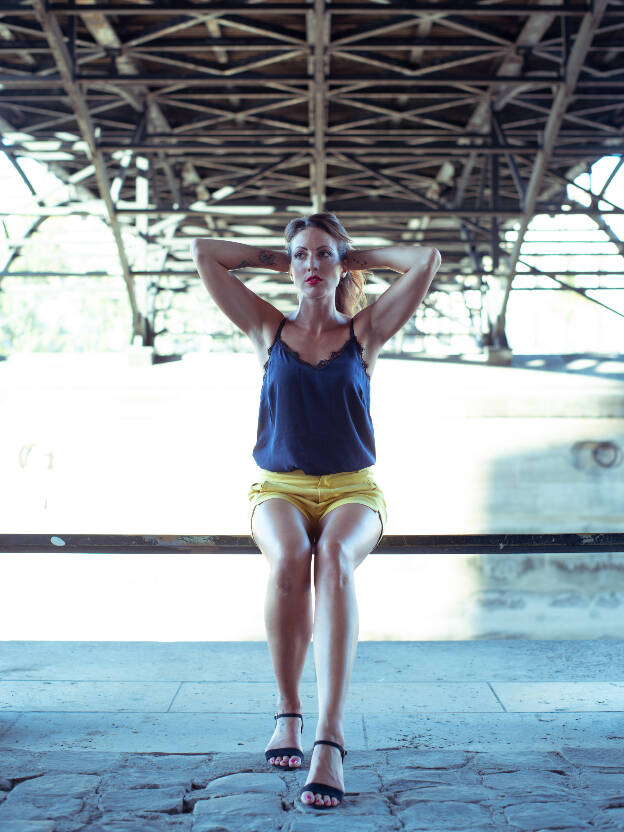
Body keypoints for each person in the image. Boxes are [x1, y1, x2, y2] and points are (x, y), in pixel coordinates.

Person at [191, 212, 441, 810]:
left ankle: (329, 737)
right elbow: (205, 251)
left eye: (323, 255)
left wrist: (355, 257)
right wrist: (274, 256)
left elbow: (425, 260)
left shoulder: (366, 331)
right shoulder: (266, 328)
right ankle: (288, 713)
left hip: (354, 488)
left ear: (341, 264)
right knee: (291, 558)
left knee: (332, 558)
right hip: (277, 487)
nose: (310, 265)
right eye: (300, 256)